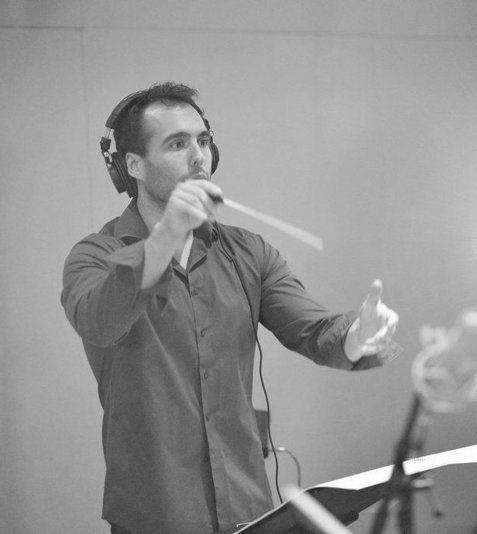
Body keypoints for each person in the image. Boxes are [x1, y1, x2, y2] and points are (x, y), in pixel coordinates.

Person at [61, 82, 400, 534]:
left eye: (203, 141)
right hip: (153, 514)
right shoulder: (95, 255)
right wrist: (167, 235)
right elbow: (100, 321)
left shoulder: (248, 253)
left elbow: (316, 333)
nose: (198, 156)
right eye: (177, 144)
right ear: (133, 165)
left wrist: (358, 336)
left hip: (246, 507)